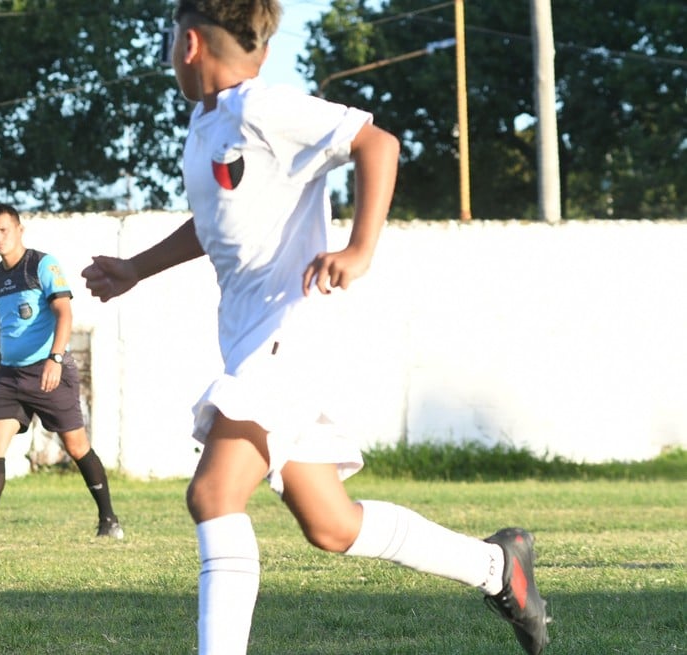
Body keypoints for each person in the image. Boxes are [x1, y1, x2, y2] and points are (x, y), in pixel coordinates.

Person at [79, 2, 551, 654]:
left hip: (292, 330)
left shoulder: (262, 111)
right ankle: (497, 566)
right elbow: (219, 219)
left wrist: (359, 249)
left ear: (187, 43)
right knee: (331, 524)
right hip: (256, 338)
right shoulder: (209, 123)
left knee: (214, 492)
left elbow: (376, 142)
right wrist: (136, 266)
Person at [0, 203, 123, 542]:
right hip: (9, 376)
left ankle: (109, 519)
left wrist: (55, 359)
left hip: (48, 370)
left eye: (3, 230)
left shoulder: (42, 264)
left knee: (76, 444)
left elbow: (64, 314)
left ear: (19, 229)